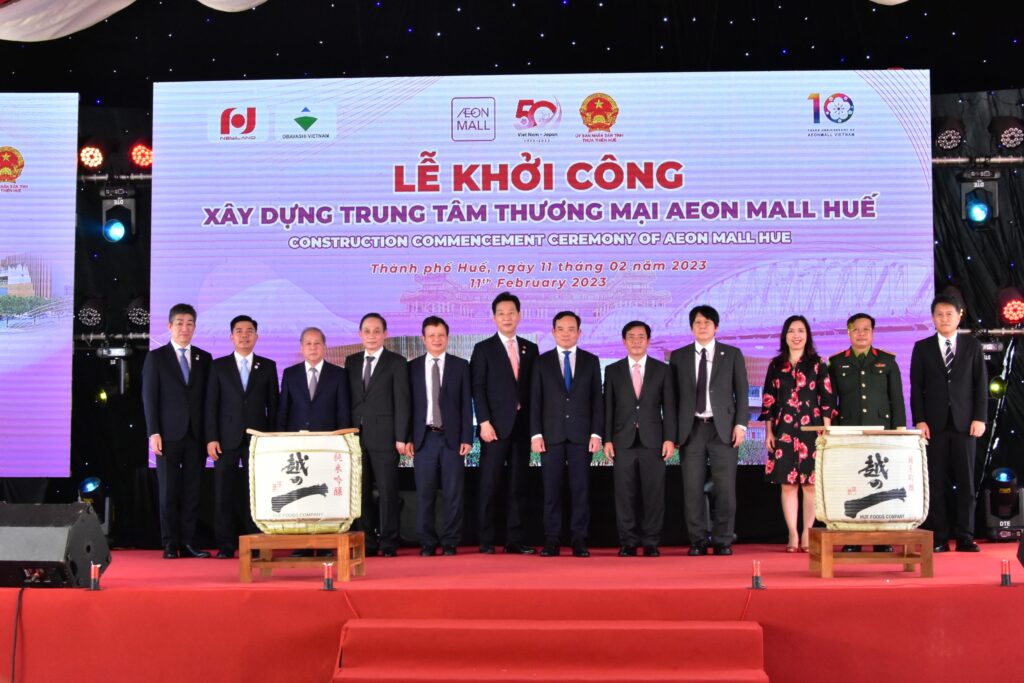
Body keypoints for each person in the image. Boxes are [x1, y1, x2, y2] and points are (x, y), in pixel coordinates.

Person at [910, 294, 988, 553]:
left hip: (966, 424)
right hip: (934, 426)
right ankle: (939, 537)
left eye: (949, 314)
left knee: (966, 482)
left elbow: (980, 385)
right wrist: (920, 420)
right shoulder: (922, 347)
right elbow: (916, 387)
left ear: (959, 315)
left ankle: (965, 536)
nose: (944, 319)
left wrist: (980, 417)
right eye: (939, 314)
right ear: (933, 318)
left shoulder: (972, 346)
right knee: (936, 482)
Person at [670, 305, 749, 556]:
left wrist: (741, 425)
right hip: (691, 429)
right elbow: (672, 398)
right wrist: (672, 433)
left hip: (722, 429)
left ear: (716, 327)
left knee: (725, 489)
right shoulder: (679, 356)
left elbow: (742, 392)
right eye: (697, 323)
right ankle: (698, 540)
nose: (702, 327)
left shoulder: (732, 354)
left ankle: (723, 540)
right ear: (691, 327)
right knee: (692, 488)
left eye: (707, 323)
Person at [829, 312, 906, 553]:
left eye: (866, 329)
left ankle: (882, 538)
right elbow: (831, 401)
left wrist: (899, 430)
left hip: (881, 433)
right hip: (849, 432)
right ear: (848, 332)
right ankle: (852, 538)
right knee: (852, 485)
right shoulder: (836, 362)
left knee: (881, 485)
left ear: (873, 333)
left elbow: (897, 398)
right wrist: (832, 432)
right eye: (856, 329)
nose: (861, 334)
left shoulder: (886, 360)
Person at [141, 303, 212, 559]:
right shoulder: (156, 357)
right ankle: (170, 543)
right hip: (167, 436)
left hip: (196, 435)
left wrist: (210, 435)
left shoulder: (204, 358)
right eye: (180, 323)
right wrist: (153, 432)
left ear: (195, 327)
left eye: (189, 323)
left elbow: (209, 400)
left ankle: (188, 542)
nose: (185, 328)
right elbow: (149, 397)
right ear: (170, 326)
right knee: (168, 491)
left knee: (193, 491)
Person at [470, 291, 539, 555]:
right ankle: (486, 540)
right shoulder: (483, 349)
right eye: (501, 314)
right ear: (494, 318)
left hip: (522, 427)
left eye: (511, 313)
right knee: (489, 484)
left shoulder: (530, 348)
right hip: (494, 428)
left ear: (519, 316)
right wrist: (484, 422)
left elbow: (534, 390)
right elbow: (478, 389)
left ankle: (515, 539)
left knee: (519, 485)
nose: (507, 318)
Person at [530, 311, 603, 557]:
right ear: (553, 332)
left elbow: (597, 400)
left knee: (581, 490)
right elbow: (535, 400)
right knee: (551, 491)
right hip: (550, 437)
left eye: (571, 329)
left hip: (582, 436)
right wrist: (535, 434)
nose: (566, 334)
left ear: (579, 333)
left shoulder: (591, 361)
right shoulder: (541, 362)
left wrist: (596, 434)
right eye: (561, 329)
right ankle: (552, 540)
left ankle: (579, 540)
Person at [205, 315, 279, 559]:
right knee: (223, 493)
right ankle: (226, 545)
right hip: (225, 439)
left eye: (249, 331)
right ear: (231, 337)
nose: (244, 335)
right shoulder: (218, 366)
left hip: (258, 440)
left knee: (256, 493)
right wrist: (211, 438)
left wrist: (272, 438)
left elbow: (274, 406)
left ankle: (255, 543)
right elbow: (210, 405)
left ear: (257, 336)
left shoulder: (267, 366)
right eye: (239, 331)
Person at [759, 315, 833, 553]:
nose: (796, 335)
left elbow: (827, 399)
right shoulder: (775, 365)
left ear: (807, 335)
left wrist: (826, 432)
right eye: (791, 331)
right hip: (784, 430)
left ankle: (807, 533)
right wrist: (769, 432)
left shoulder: (818, 363)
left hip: (812, 430)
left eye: (801, 330)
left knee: (810, 485)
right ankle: (792, 532)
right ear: (785, 335)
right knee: (788, 485)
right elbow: (768, 400)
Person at [603, 321, 676, 557]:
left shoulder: (662, 370)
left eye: (641, 337)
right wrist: (607, 439)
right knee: (624, 495)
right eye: (631, 337)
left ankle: (651, 542)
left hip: (653, 441)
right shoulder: (613, 370)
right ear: (624, 341)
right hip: (622, 441)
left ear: (648, 341)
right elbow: (608, 408)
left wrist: (670, 439)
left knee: (654, 494)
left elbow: (669, 408)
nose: (636, 341)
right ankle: (628, 542)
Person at [406, 316, 473, 556]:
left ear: (447, 337)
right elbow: (408, 406)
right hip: (423, 438)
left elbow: (466, 404)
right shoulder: (412, 367)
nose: (436, 340)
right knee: (425, 492)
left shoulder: (460, 365)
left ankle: (450, 541)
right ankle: (426, 541)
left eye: (441, 335)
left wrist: (468, 437)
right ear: (423, 339)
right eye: (431, 336)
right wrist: (407, 437)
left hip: (452, 439)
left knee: (453, 493)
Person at [346, 313, 411, 557]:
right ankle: (367, 542)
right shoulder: (351, 361)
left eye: (376, 331)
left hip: (386, 437)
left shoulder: (397, 362)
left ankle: (389, 542)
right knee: (360, 492)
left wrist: (401, 437)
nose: (371, 336)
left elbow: (402, 402)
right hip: (356, 438)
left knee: (387, 491)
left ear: (385, 334)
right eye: (367, 331)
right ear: (360, 334)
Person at [277, 327, 351, 432]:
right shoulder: (290, 374)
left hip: (328, 437)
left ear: (325, 347)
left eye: (317, 343)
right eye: (308, 343)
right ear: (301, 348)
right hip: (296, 437)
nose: (313, 348)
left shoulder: (339, 374)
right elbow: (283, 411)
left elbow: (343, 412)